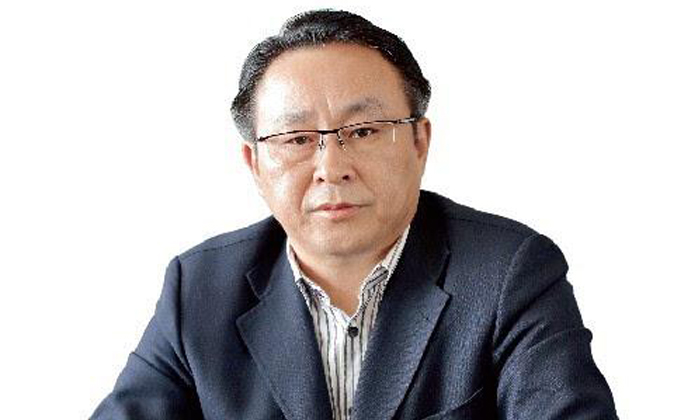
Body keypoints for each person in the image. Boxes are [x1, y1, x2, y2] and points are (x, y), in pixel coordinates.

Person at [91, 9, 618, 420]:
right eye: (296, 139)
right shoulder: (200, 287)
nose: (331, 167)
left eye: (363, 131)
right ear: (254, 163)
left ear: (419, 141)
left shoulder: (509, 273)